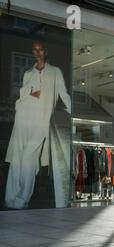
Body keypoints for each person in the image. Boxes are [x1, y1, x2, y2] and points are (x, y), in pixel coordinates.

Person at [5, 41, 71, 209]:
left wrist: (74, 114)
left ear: (45, 51)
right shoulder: (28, 73)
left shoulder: (55, 72)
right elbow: (22, 95)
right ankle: (10, 198)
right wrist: (25, 99)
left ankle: (22, 199)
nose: (38, 52)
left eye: (40, 49)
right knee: (17, 159)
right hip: (23, 118)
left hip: (41, 121)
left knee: (28, 158)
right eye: (35, 50)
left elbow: (63, 93)